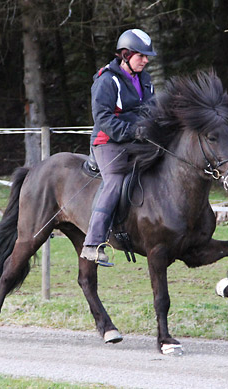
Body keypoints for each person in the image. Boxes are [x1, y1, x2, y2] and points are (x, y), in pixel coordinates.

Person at [81, 29, 157, 266]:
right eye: (140, 56)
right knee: (114, 181)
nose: (145, 60)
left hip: (138, 141)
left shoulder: (145, 79)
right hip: (108, 142)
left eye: (146, 56)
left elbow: (152, 110)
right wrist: (132, 131)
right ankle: (93, 244)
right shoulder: (107, 80)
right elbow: (103, 118)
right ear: (125, 54)